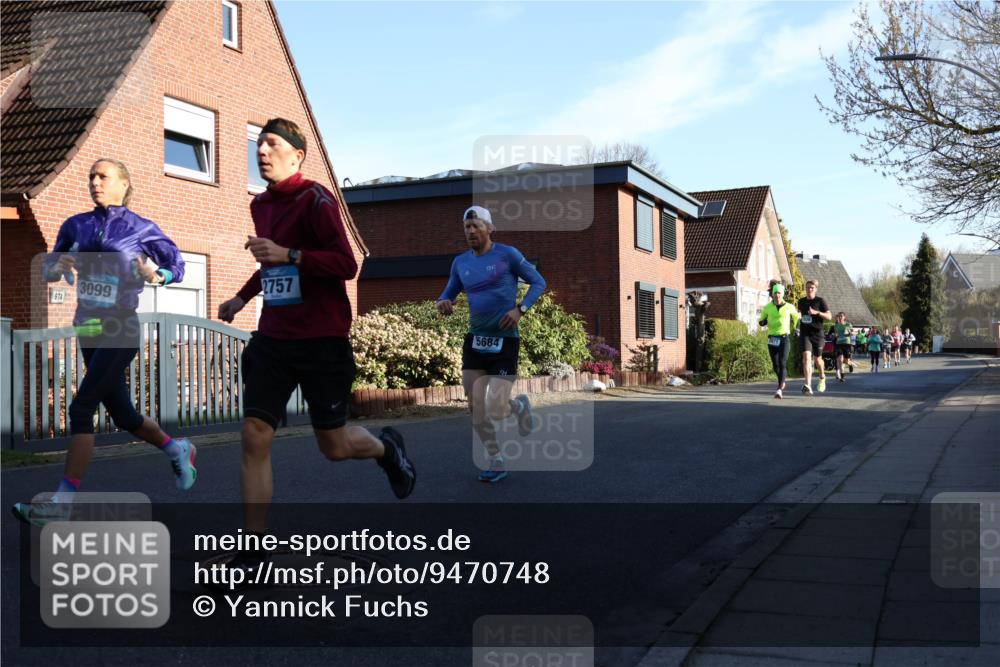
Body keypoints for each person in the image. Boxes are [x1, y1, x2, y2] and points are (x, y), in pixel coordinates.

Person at [216, 118, 415, 549]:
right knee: (254, 435)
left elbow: (347, 265)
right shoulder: (260, 206)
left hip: (322, 338)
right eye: (258, 145)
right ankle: (253, 553)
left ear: (297, 155)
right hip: (274, 338)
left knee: (335, 446)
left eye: (271, 144)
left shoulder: (316, 198)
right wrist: (241, 298)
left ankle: (387, 451)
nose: (261, 152)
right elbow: (272, 265)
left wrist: (291, 253)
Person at [13, 159, 195, 526]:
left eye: (102, 176)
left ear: (123, 184)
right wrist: (57, 266)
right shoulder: (75, 224)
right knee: (124, 416)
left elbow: (177, 264)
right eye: (91, 176)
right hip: (88, 329)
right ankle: (178, 449)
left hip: (122, 327)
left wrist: (156, 273)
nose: (94, 182)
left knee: (80, 410)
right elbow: (52, 266)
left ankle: (61, 505)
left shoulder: (141, 228)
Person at [436, 205, 546, 482]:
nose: (471, 231)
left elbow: (538, 282)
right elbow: (449, 290)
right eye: (466, 227)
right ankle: (496, 460)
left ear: (490, 228)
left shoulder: (508, 255)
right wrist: (443, 301)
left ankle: (518, 406)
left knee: (496, 408)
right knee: (475, 405)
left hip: (505, 340)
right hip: (475, 339)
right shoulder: (460, 262)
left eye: (476, 226)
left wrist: (520, 309)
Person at [759, 282, 800, 399]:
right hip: (772, 338)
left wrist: (797, 329)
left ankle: (779, 388)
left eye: (779, 293)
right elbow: (761, 320)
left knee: (782, 362)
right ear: (772, 294)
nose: (777, 295)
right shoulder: (767, 307)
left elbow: (797, 318)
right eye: (775, 293)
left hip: (784, 337)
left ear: (782, 294)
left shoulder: (789, 306)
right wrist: (763, 322)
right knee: (775, 365)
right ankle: (782, 381)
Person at [797, 280, 832, 395]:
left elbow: (829, 316)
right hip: (805, 333)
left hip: (818, 334)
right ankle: (808, 385)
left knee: (818, 360)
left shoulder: (820, 301)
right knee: (806, 358)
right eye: (807, 287)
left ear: (815, 289)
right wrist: (797, 317)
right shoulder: (801, 301)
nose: (809, 289)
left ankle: (822, 376)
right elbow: (799, 314)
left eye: (812, 288)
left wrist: (817, 313)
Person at [833, 312, 853, 382]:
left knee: (846, 361)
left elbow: (851, 334)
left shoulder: (848, 324)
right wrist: (835, 336)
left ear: (844, 317)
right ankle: (842, 377)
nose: (840, 317)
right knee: (840, 360)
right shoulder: (836, 326)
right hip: (839, 344)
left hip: (847, 344)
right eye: (839, 316)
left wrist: (849, 334)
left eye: (841, 316)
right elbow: (836, 334)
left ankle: (850, 364)